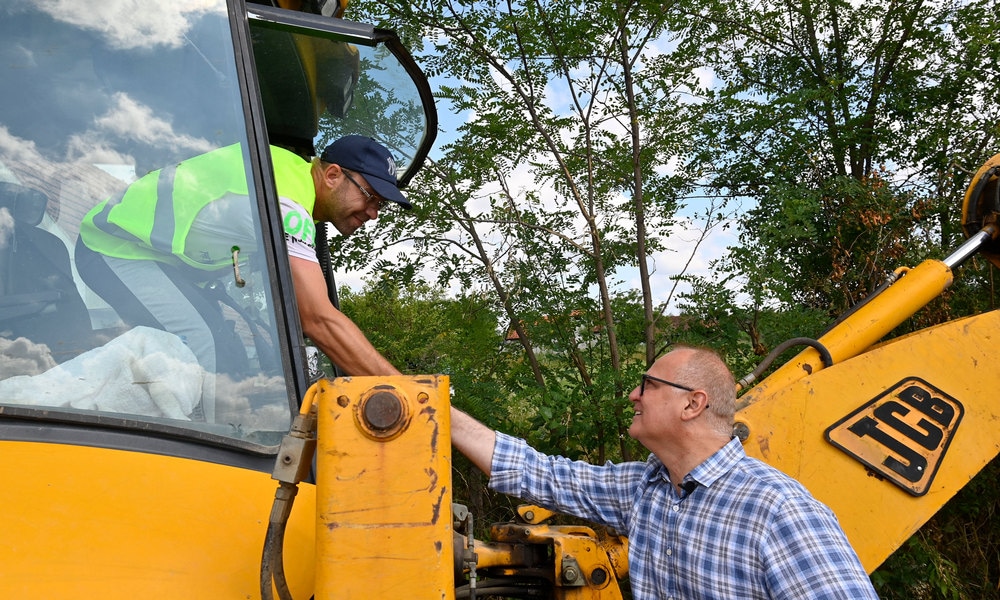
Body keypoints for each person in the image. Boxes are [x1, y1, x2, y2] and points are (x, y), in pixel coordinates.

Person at [450, 345, 879, 599]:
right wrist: (435, 410)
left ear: (692, 404)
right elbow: (536, 473)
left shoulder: (779, 510)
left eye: (649, 386)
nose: (633, 395)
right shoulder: (644, 488)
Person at [75, 136, 403, 413]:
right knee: (202, 340)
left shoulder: (288, 178)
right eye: (370, 197)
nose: (374, 213)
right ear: (332, 175)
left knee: (228, 347)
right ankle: (205, 455)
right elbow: (318, 318)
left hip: (159, 260)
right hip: (111, 245)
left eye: (381, 205)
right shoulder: (284, 201)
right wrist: (408, 396)